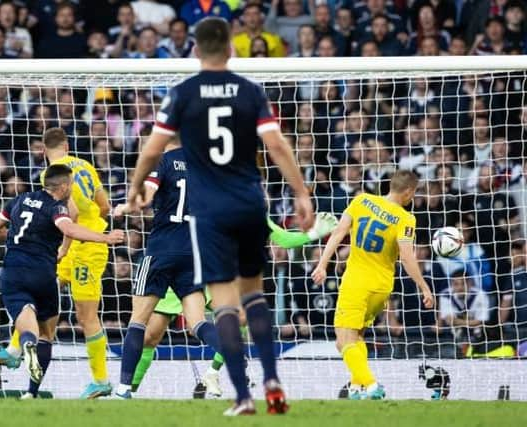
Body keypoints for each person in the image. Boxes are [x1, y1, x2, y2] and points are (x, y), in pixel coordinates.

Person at [124, 17, 314, 416]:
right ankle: (272, 382)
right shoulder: (250, 91)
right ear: (231, 49)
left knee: (224, 306)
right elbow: (277, 145)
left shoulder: (183, 94)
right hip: (246, 202)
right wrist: (300, 193)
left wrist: (136, 187)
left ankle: (242, 396)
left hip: (208, 215)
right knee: (254, 298)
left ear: (195, 50)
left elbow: (153, 148)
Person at [0, 128, 117, 399]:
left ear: (43, 150)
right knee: (44, 297)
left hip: (84, 247)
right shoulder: (85, 165)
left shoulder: (52, 175)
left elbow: (72, 214)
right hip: (82, 242)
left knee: (86, 316)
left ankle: (101, 380)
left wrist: (65, 247)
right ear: (66, 145)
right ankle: (14, 350)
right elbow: (105, 206)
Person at [114, 138, 223, 399]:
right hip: (192, 254)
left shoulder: (161, 161)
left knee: (138, 322)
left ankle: (123, 389)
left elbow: (146, 197)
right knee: (197, 322)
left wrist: (124, 206)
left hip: (161, 251)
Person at [312, 170, 434, 400]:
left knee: (342, 341)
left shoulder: (361, 200)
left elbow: (338, 233)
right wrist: (424, 287)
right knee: (357, 336)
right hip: (382, 288)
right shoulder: (406, 219)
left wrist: (322, 264)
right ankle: (357, 390)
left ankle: (370, 385)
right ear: (408, 192)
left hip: (356, 282)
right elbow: (407, 258)